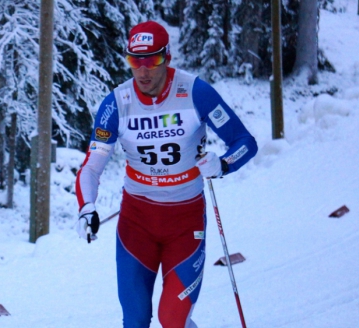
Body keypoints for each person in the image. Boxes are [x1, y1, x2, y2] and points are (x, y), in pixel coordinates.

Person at [75, 21, 257, 328]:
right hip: (137, 223)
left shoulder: (195, 92)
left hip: (185, 224)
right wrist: (86, 207)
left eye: (152, 61)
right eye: (135, 61)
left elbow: (245, 143)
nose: (143, 72)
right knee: (135, 321)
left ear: (167, 57)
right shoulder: (116, 103)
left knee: (173, 319)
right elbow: (91, 167)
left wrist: (222, 165)